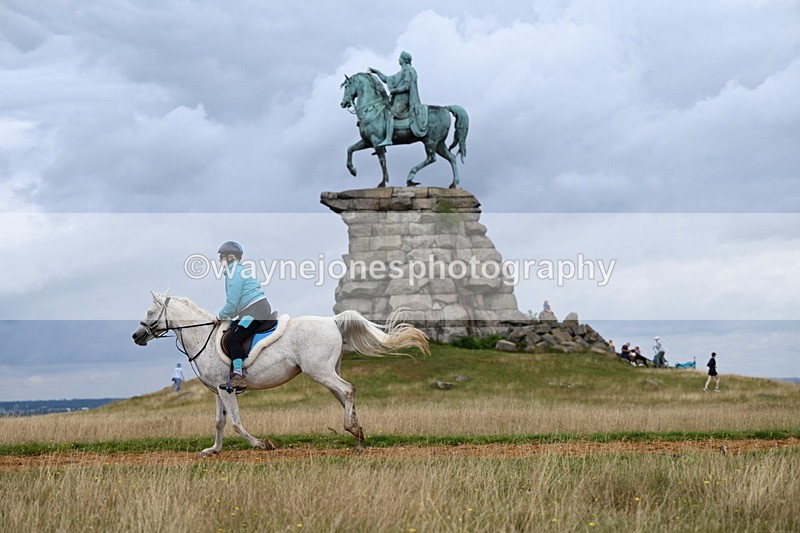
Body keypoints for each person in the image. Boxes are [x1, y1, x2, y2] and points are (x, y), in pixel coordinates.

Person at [213, 241, 274, 387]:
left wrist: (220, 316)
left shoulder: (234, 273)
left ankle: (239, 375)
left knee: (232, 339)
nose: (219, 260)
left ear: (230, 257)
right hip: (252, 309)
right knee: (232, 329)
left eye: (221, 257)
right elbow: (235, 307)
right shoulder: (237, 271)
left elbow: (232, 303)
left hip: (255, 310)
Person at [368, 51, 428, 146]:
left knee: (389, 113)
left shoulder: (408, 71)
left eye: (400, 58)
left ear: (404, 60)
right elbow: (386, 79)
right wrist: (377, 72)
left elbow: (407, 86)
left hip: (404, 101)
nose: (398, 59)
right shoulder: (400, 73)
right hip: (397, 100)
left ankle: (388, 139)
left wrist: (394, 91)